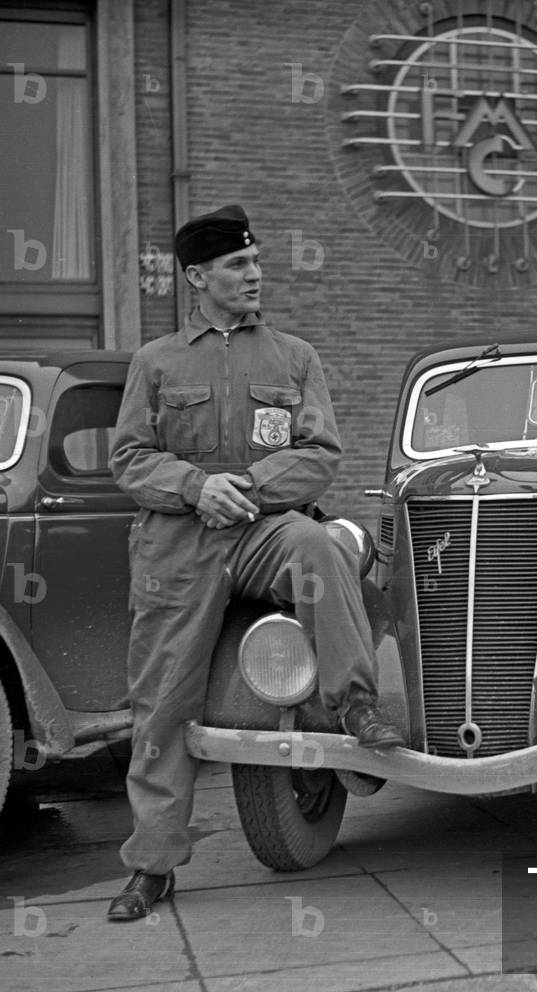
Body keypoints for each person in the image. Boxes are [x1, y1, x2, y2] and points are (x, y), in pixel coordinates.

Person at [106, 205, 404, 923]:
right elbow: (128, 459)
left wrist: (247, 492)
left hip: (263, 527)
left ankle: (355, 703)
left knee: (318, 545)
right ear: (196, 277)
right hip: (178, 548)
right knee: (164, 704)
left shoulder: (293, 357)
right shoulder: (156, 363)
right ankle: (151, 866)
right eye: (238, 265)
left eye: (256, 262)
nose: (254, 274)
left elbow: (321, 454)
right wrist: (194, 486)